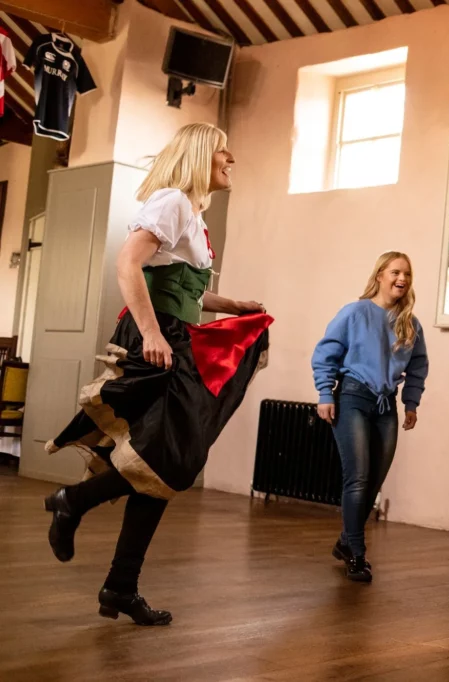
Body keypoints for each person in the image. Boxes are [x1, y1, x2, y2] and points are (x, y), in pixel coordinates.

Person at [43, 123, 272, 626]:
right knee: (167, 460)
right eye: (222, 153)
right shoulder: (171, 201)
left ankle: (120, 586)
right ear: (198, 156)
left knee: (161, 470)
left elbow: (181, 286)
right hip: (158, 339)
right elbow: (128, 265)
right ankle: (73, 501)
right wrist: (151, 333)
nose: (230, 159)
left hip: (175, 336)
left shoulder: (191, 214)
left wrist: (229, 303)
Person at [312, 252, 428, 583]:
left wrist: (411, 403)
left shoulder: (410, 323)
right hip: (351, 397)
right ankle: (358, 554)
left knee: (374, 482)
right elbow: (325, 353)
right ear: (379, 275)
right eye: (395, 272)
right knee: (358, 477)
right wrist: (324, 393)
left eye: (407, 273)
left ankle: (345, 542)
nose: (401, 278)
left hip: (385, 406)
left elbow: (418, 366)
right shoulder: (354, 312)